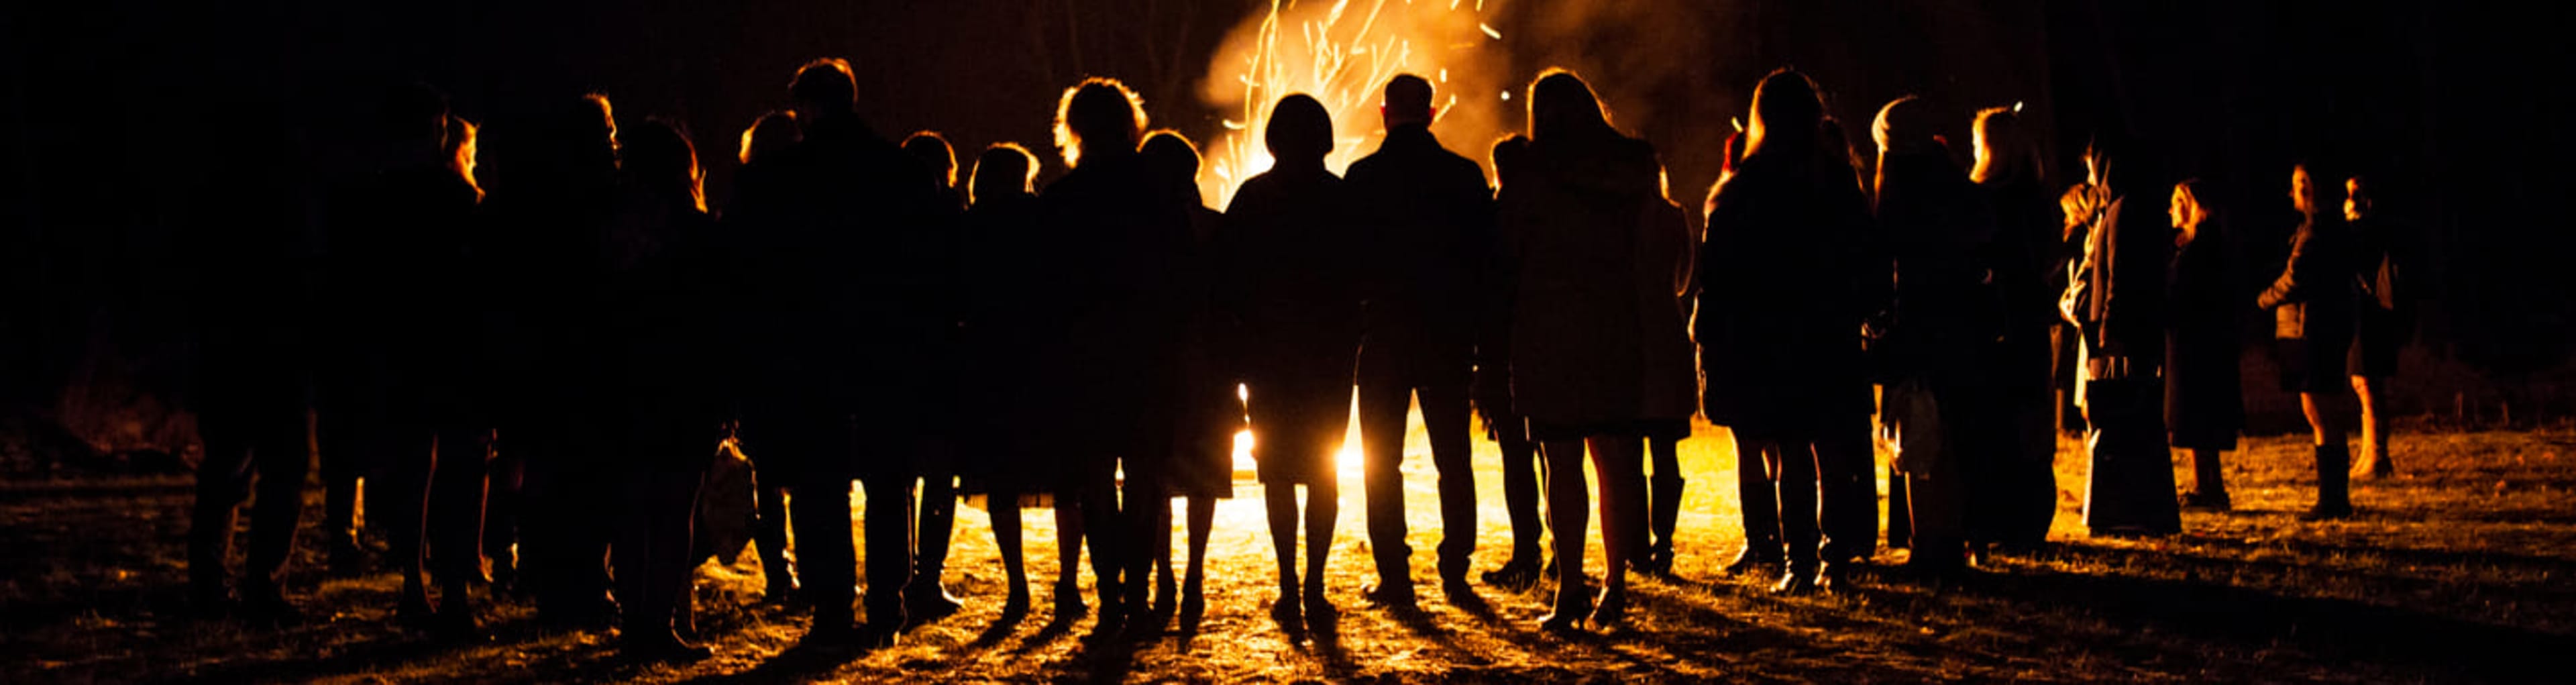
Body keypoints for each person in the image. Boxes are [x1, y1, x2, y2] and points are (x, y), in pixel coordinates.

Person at [728, 58, 948, 648]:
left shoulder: (779, 180)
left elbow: (753, 275)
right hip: (887, 348)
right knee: (887, 481)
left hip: (808, 354)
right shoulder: (901, 172)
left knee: (819, 483)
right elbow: (932, 270)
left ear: (805, 107)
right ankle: (886, 602)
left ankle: (830, 605)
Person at [1503, 69, 1684, 630]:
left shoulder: (1531, 173)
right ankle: (1615, 585)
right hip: (1615, 327)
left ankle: (1569, 591)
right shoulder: (1633, 167)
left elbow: (1507, 252)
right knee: (1616, 463)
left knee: (1561, 465)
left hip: (1550, 330)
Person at [317, 83, 490, 635]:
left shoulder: (373, 197)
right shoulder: (459, 198)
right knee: (458, 472)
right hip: (452, 350)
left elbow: (356, 282)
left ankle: (415, 586)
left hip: (402, 351)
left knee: (414, 470)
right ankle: (455, 593)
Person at [1701, 69, 1880, 595]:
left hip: (1773, 335)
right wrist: (1869, 307)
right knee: (1833, 451)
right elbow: (1866, 249)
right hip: (1831, 329)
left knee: (1793, 454)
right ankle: (1835, 560)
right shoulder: (1834, 178)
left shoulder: (1746, 187)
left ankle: (1801, 561)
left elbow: (1720, 269)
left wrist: (1714, 331)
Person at [1035, 76, 1195, 636]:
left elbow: (1045, 294)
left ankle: (1108, 592)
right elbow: (1183, 283)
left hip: (1085, 363)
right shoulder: (1160, 198)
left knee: (1097, 479)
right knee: (1146, 476)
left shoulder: (1058, 202)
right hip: (1149, 358)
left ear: (1075, 128)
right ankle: (1138, 587)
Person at [1343, 74, 1495, 609]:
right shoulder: (1463, 176)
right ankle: (1456, 565)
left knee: (1380, 459)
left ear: (1384, 113)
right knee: (1452, 457)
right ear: (1431, 115)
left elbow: (1347, 266)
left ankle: (1395, 573)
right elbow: (1485, 263)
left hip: (1382, 335)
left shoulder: (1361, 179)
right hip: (1447, 333)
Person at [1226, 93, 1362, 636]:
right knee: (1324, 470)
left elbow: (1228, 283)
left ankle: (1287, 583)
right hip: (1328, 356)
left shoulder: (1253, 198)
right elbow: (1361, 274)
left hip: (1269, 358)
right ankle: (1315, 584)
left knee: (1278, 474)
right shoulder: (1342, 199)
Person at [602, 117, 726, 660]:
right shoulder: (699, 234)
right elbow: (722, 320)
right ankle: (657, 620)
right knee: (675, 510)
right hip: (685, 386)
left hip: (624, 383)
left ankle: (635, 619)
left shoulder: (612, 232)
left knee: (631, 507)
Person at [1872, 96, 2003, 577]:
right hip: (1962, 329)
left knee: (1920, 438)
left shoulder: (1901, 199)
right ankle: (1953, 537)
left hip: (1922, 329)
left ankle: (1930, 542)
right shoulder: (1958, 189)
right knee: (1951, 433)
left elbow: (1884, 261)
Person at [954, 142, 1075, 622]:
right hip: (1047, 361)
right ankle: (1067, 582)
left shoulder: (969, 227)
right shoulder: (1047, 220)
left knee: (1001, 477)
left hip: (990, 362)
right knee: (1066, 477)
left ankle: (1018, 584)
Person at [2061, 135, 2181, 537]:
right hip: (2136, 329)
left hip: (2123, 333)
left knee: (2125, 420)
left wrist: (2110, 329)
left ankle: (2129, 509)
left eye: (2093, 165)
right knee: (2135, 419)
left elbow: (2119, 276)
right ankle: (2141, 508)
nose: (2090, 174)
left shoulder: (2122, 210)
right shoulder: (2132, 206)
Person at [1138, 129, 1232, 627]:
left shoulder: (1139, 235)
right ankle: (1194, 573)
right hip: (1211, 371)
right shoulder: (1214, 228)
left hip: (1155, 372)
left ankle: (1165, 576)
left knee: (1154, 479)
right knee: (1204, 480)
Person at [1966, 106, 2060, 548]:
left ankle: (2003, 519)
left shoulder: (1986, 201)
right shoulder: (2036, 198)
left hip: (1998, 328)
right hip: (2027, 325)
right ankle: (2028, 518)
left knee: (2001, 425)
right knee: (2028, 425)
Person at [724, 109, 801, 604]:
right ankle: (802, 570)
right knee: (804, 469)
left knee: (770, 470)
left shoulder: (742, 205)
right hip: (796, 348)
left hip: (755, 350)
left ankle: (779, 570)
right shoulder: (805, 201)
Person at [2257, 161, 2357, 520]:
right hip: (2322, 326)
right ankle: (2332, 497)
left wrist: (2264, 298)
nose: (2292, 192)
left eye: (2298, 183)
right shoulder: (2325, 228)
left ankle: (2333, 499)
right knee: (2320, 410)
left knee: (2320, 409)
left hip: (2313, 328)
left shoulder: (2317, 230)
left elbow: (2295, 278)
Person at [898, 128, 969, 625]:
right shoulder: (955, 223)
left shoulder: (886, 225)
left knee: (898, 476)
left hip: (897, 364)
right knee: (939, 479)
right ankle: (928, 577)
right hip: (945, 365)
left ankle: (899, 576)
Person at [1476, 134, 1546, 591]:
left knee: (1517, 457)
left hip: (1506, 349)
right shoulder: (1550, 212)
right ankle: (1562, 550)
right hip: (1549, 343)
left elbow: (1486, 289)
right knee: (1554, 454)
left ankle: (1527, 551)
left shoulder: (1499, 216)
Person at [2164, 179, 2244, 511]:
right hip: (2202, 340)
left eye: (2176, 202)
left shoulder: (2202, 246)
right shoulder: (2202, 242)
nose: (2171, 210)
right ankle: (2209, 485)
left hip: (2197, 343)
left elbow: (2185, 292)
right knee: (2200, 416)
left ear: (2191, 204)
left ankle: (2207, 488)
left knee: (2197, 414)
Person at [2344, 174, 2416, 480]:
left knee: (2368, 384)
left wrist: (2349, 222)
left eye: (2354, 194)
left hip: (2371, 316)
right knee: (2363, 383)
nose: (2348, 200)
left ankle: (2378, 455)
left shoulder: (2368, 228)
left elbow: (2352, 256)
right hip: (2367, 315)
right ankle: (2369, 452)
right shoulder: (2377, 228)